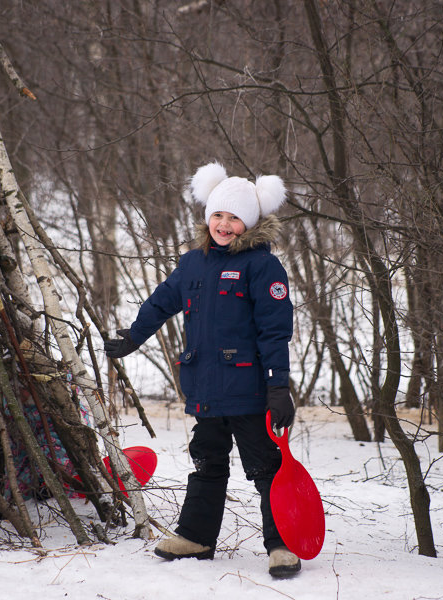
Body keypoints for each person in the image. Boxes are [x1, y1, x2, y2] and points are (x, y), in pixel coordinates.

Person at [104, 162, 300, 577]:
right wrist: (134, 337)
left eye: (234, 218)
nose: (224, 224)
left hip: (249, 390)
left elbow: (275, 331)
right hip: (206, 388)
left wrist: (277, 386)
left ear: (249, 224)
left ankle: (282, 544)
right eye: (218, 215)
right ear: (207, 216)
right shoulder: (193, 264)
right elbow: (161, 303)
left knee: (265, 468)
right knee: (208, 462)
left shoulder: (262, 267)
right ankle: (196, 537)